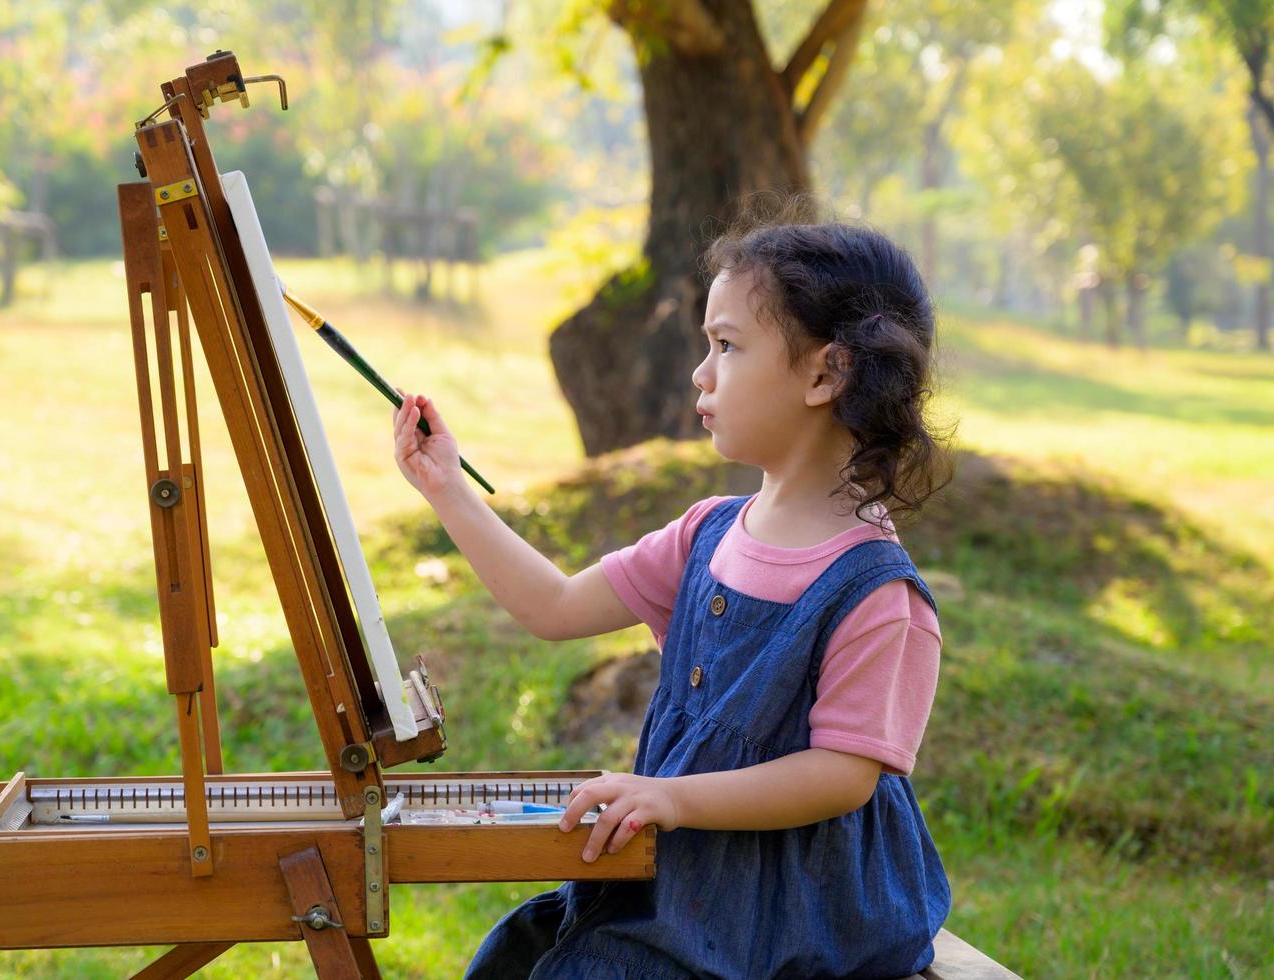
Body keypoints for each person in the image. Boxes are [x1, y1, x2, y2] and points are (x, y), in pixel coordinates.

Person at [392, 217, 953, 979]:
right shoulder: (707, 536)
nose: (700, 372)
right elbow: (554, 607)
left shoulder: (875, 593)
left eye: (726, 345)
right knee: (516, 955)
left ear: (825, 375)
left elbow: (841, 776)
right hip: (677, 881)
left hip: (800, 913)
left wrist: (674, 799)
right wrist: (448, 488)